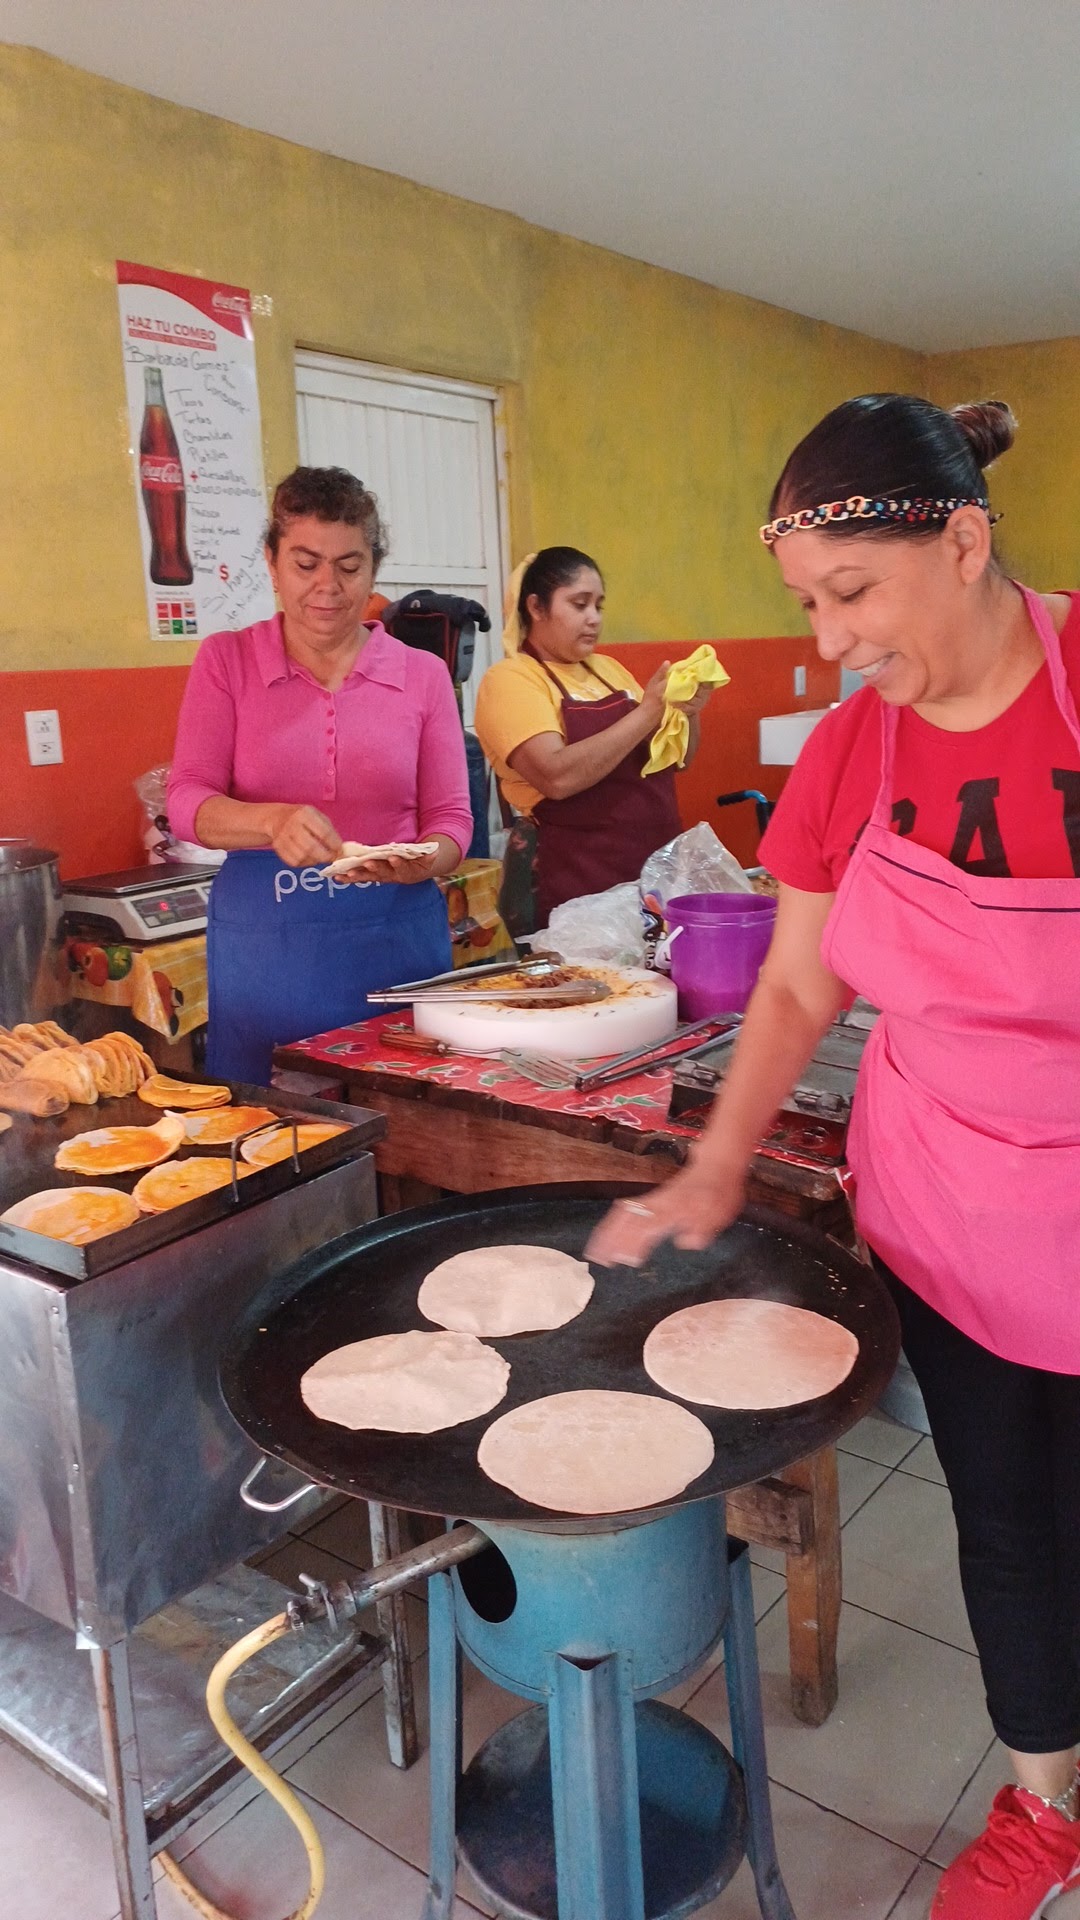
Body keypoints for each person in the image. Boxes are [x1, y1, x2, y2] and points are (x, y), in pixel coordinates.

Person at [588, 394, 1080, 1920]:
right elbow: (799, 984)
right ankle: (1045, 1801)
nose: (832, 641)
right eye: (810, 605)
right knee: (1006, 1516)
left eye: (854, 595)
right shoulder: (855, 751)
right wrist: (718, 1163)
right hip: (955, 1204)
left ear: (968, 542)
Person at [168, 466, 472, 1083]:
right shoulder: (227, 661)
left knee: (409, 1137)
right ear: (273, 563)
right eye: (306, 563)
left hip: (396, 950)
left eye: (349, 565)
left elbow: (452, 821)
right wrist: (271, 821)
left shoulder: (423, 676)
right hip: (269, 960)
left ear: (374, 569)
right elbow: (187, 800)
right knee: (269, 1146)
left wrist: (428, 859)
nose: (327, 586)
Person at [473, 547, 715, 931]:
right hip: (571, 880)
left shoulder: (609, 670)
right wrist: (649, 710)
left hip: (651, 877)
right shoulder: (511, 680)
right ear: (536, 608)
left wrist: (688, 711)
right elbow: (556, 777)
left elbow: (676, 758)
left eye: (599, 606)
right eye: (579, 604)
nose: (593, 619)